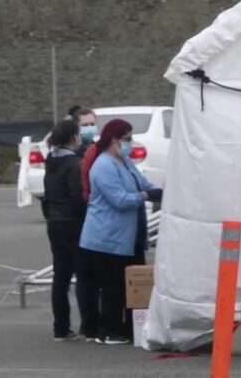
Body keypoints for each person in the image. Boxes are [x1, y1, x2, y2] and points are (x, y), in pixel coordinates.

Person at [78, 119, 162, 345]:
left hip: (129, 237)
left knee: (129, 285)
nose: (130, 143)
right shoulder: (103, 166)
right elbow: (120, 200)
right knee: (112, 286)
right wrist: (146, 196)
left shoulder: (125, 162)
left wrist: (160, 191)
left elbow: (143, 183)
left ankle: (128, 327)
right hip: (106, 237)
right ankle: (109, 330)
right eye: (126, 139)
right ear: (114, 139)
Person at [42, 120, 93, 341]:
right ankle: (88, 325)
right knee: (84, 275)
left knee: (60, 276)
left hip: (55, 222)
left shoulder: (51, 160)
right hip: (73, 223)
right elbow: (78, 197)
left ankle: (60, 328)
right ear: (73, 137)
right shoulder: (73, 163)